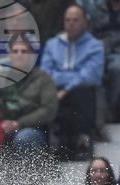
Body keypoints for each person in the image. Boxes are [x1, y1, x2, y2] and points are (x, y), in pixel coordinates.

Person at [39, 4, 105, 160]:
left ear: (84, 23)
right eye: (68, 20)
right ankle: (63, 142)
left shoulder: (95, 46)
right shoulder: (52, 44)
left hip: (82, 92)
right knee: (47, 93)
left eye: (75, 20)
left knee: (79, 91)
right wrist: (68, 78)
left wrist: (66, 87)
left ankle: (77, 139)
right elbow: (45, 72)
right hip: (55, 89)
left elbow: (90, 75)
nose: (71, 23)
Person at [0, 36, 59, 156]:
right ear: (9, 55)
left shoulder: (43, 79)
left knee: (24, 138)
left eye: (24, 51)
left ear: (32, 55)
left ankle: (25, 175)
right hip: (2, 125)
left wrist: (19, 123)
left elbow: (49, 109)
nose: (19, 55)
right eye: (15, 51)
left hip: (33, 128)